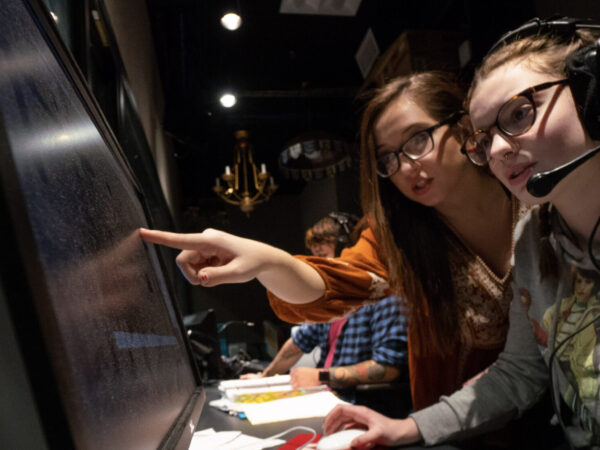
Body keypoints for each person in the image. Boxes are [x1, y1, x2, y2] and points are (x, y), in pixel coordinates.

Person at [140, 70, 533, 447]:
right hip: (455, 429)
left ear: (463, 128)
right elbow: (336, 283)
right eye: (389, 158)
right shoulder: (398, 240)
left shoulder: (538, 202)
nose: (406, 166)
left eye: (418, 139)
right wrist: (268, 262)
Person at [320, 18, 600, 449]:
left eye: (520, 114)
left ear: (591, 95)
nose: (500, 149)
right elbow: (520, 372)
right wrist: (405, 428)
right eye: (486, 139)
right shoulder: (532, 238)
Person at [241, 214, 409, 408]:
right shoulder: (330, 300)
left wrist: (320, 376)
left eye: (322, 257)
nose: (317, 267)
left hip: (359, 405)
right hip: (328, 399)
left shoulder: (387, 297)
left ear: (348, 250)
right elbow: (297, 344)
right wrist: (264, 378)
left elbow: (388, 368)